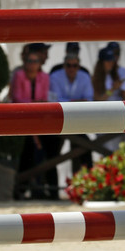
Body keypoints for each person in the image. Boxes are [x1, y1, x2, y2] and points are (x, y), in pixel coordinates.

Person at [9, 49, 51, 200]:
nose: (32, 64)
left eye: (35, 61)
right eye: (29, 61)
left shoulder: (44, 77)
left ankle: (38, 187)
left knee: (44, 152)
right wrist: (36, 104)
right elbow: (18, 99)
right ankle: (20, 188)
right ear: (25, 62)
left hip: (39, 120)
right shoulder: (18, 75)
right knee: (26, 154)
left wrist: (34, 104)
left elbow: (44, 99)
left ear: (40, 63)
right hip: (21, 120)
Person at [47, 48, 95, 178]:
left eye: (74, 65)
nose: (71, 68)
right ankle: (52, 191)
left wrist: (70, 102)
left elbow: (89, 99)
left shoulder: (84, 77)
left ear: (79, 66)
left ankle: (89, 182)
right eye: (68, 65)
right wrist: (77, 101)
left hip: (78, 121)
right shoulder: (55, 76)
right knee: (52, 152)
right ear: (64, 65)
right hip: (58, 120)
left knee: (85, 148)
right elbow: (54, 100)